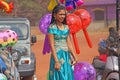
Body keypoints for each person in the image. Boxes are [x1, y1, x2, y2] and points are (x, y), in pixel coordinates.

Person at [47, 4, 77, 80]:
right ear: (54, 15)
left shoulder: (66, 27)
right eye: (60, 14)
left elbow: (69, 44)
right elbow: (52, 45)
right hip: (57, 56)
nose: (62, 16)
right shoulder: (51, 28)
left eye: (64, 14)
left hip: (66, 56)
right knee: (59, 76)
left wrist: (74, 57)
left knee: (67, 76)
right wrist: (56, 61)